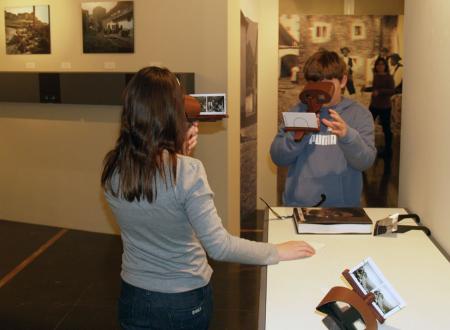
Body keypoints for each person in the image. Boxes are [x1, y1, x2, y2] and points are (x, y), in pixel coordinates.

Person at [101, 66, 315, 330]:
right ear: (170, 114)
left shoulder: (113, 168)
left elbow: (157, 207)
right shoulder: (188, 171)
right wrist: (276, 251)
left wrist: (177, 153)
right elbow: (219, 246)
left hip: (134, 295)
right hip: (183, 299)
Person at [270, 50, 376, 207]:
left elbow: (365, 162)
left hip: (344, 208)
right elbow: (278, 157)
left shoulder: (358, 114)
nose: (320, 91)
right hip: (299, 205)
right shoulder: (298, 111)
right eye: (315, 84)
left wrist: (348, 136)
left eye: (327, 84)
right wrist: (298, 134)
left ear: (343, 81)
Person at [362, 57, 395, 159]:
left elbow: (391, 91)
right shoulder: (376, 76)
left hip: (385, 106)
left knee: (386, 128)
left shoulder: (389, 77)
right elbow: (375, 89)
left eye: (382, 64)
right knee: (367, 125)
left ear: (385, 66)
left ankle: (388, 149)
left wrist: (379, 92)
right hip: (374, 105)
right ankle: (366, 147)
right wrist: (367, 89)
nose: (380, 66)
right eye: (378, 64)